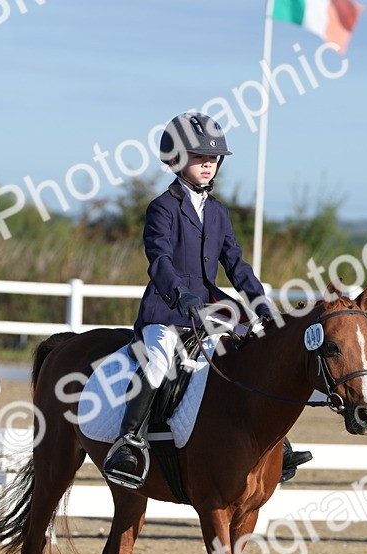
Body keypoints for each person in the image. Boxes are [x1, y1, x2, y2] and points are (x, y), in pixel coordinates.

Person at [101, 112, 312, 488]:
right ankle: (128, 442)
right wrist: (180, 294)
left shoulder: (218, 212)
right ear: (177, 159)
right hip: (167, 310)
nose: (208, 164)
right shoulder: (162, 208)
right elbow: (159, 259)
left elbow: (235, 263)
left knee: (252, 354)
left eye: (213, 159)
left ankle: (278, 441)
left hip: (212, 308)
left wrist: (260, 304)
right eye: (200, 157)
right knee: (159, 361)